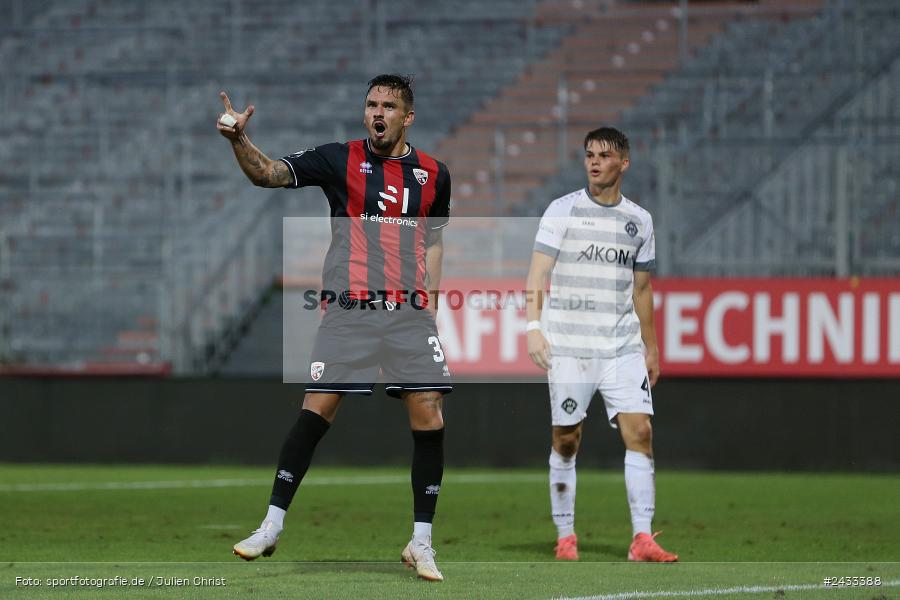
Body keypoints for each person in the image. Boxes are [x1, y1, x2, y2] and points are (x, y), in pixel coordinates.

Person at [217, 74, 451, 581]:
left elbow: (432, 241)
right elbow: (268, 174)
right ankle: (272, 525)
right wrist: (239, 139)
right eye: (371, 104)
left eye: (388, 105)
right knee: (316, 411)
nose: (378, 113)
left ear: (407, 116)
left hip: (409, 313)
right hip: (350, 310)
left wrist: (430, 302)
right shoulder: (336, 158)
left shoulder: (435, 173)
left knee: (430, 414)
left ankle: (421, 541)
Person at [524, 127, 677, 563]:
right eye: (589, 154)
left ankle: (642, 538)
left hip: (621, 347)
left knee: (641, 432)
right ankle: (566, 535)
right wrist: (533, 326)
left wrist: (651, 347)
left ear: (623, 163)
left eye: (604, 155)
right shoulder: (562, 210)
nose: (594, 162)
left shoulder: (639, 220)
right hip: (571, 346)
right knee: (567, 439)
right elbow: (537, 275)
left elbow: (642, 289)